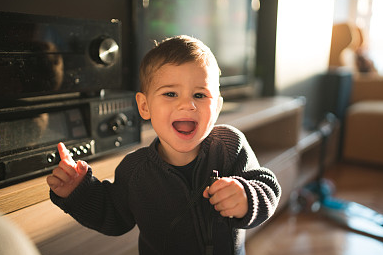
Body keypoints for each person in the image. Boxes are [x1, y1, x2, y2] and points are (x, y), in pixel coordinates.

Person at [47, 35, 281, 255]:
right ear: (145, 106)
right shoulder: (134, 171)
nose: (187, 105)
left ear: (217, 107)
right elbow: (114, 216)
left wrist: (247, 197)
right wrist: (78, 192)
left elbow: (267, 186)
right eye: (170, 94)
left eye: (200, 95)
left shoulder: (230, 146)